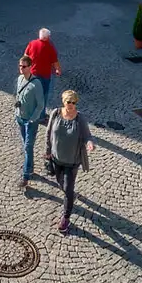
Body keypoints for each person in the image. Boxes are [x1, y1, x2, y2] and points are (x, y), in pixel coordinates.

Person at [45, 89, 93, 234]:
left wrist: (90, 143)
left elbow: (87, 136)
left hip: (72, 162)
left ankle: (66, 218)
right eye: (68, 102)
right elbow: (48, 133)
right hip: (56, 158)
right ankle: (71, 195)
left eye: (73, 102)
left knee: (67, 189)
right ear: (63, 101)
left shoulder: (80, 119)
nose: (71, 105)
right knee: (62, 185)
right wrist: (47, 152)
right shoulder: (55, 113)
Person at [13, 59, 48, 192]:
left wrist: (32, 119)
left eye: (24, 66)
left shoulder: (36, 84)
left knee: (28, 146)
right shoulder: (20, 79)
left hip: (30, 122)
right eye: (20, 66)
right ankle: (31, 168)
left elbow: (40, 105)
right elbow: (19, 96)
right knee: (26, 144)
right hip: (20, 118)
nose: (21, 68)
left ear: (30, 67)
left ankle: (26, 176)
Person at [22, 27, 60, 111]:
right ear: (47, 37)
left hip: (33, 73)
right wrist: (58, 70)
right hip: (45, 75)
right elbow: (55, 61)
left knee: (33, 93)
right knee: (43, 95)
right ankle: (41, 115)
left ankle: (30, 110)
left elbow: (25, 55)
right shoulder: (50, 47)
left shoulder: (32, 43)